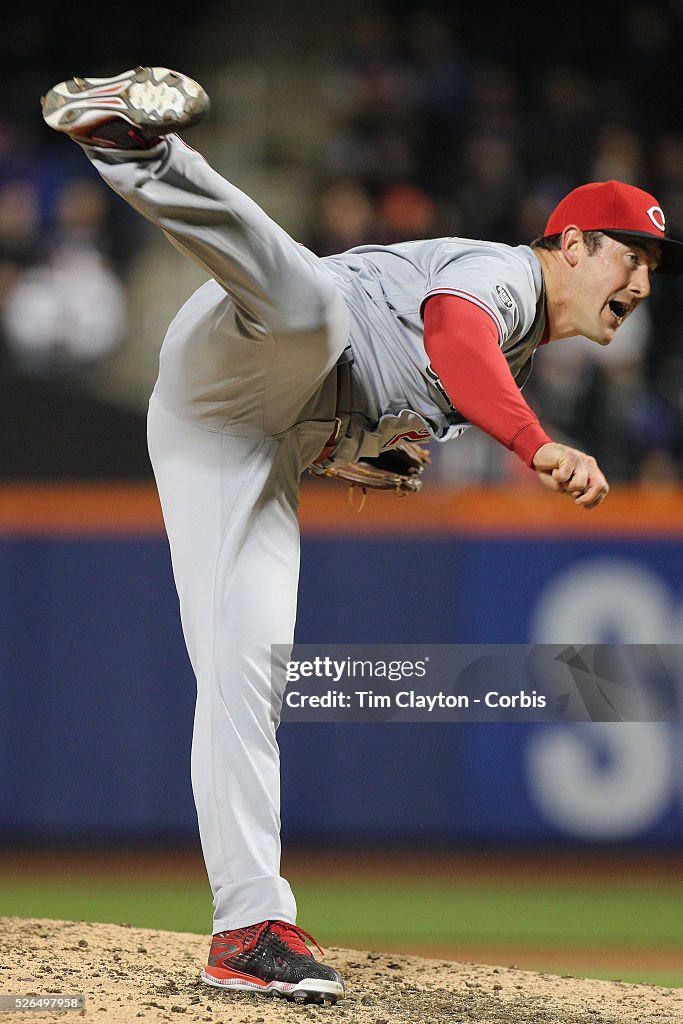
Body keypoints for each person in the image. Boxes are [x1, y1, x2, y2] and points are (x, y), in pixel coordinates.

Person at [41, 66, 683, 1005]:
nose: (639, 281)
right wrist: (532, 443)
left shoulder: (522, 344)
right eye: (627, 256)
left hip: (232, 432)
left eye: (652, 270)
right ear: (571, 244)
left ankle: (247, 930)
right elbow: (453, 335)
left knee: (247, 670)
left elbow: (401, 393)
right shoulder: (503, 275)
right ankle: (133, 146)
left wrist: (359, 448)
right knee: (307, 304)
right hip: (254, 349)